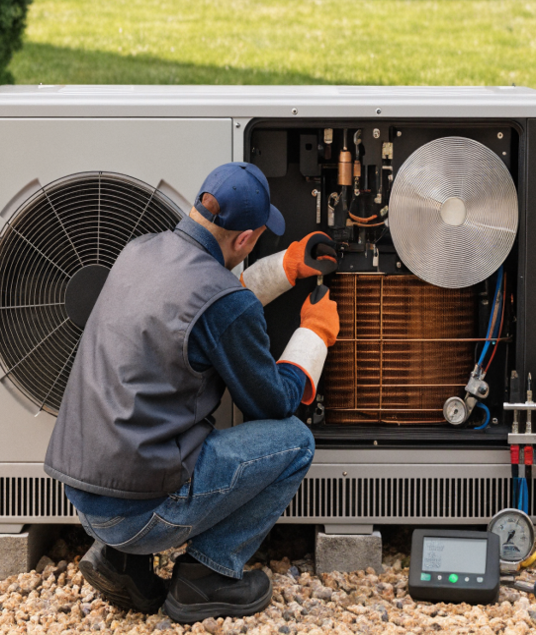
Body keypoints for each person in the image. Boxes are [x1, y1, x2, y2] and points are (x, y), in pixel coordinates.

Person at [44, 161, 339, 624]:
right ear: (244, 239)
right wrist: (314, 337)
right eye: (257, 240)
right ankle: (207, 576)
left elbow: (206, 303)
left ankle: (121, 561)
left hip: (84, 494)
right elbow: (274, 401)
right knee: (296, 443)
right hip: (142, 512)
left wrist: (286, 266)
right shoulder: (225, 302)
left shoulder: (139, 251)